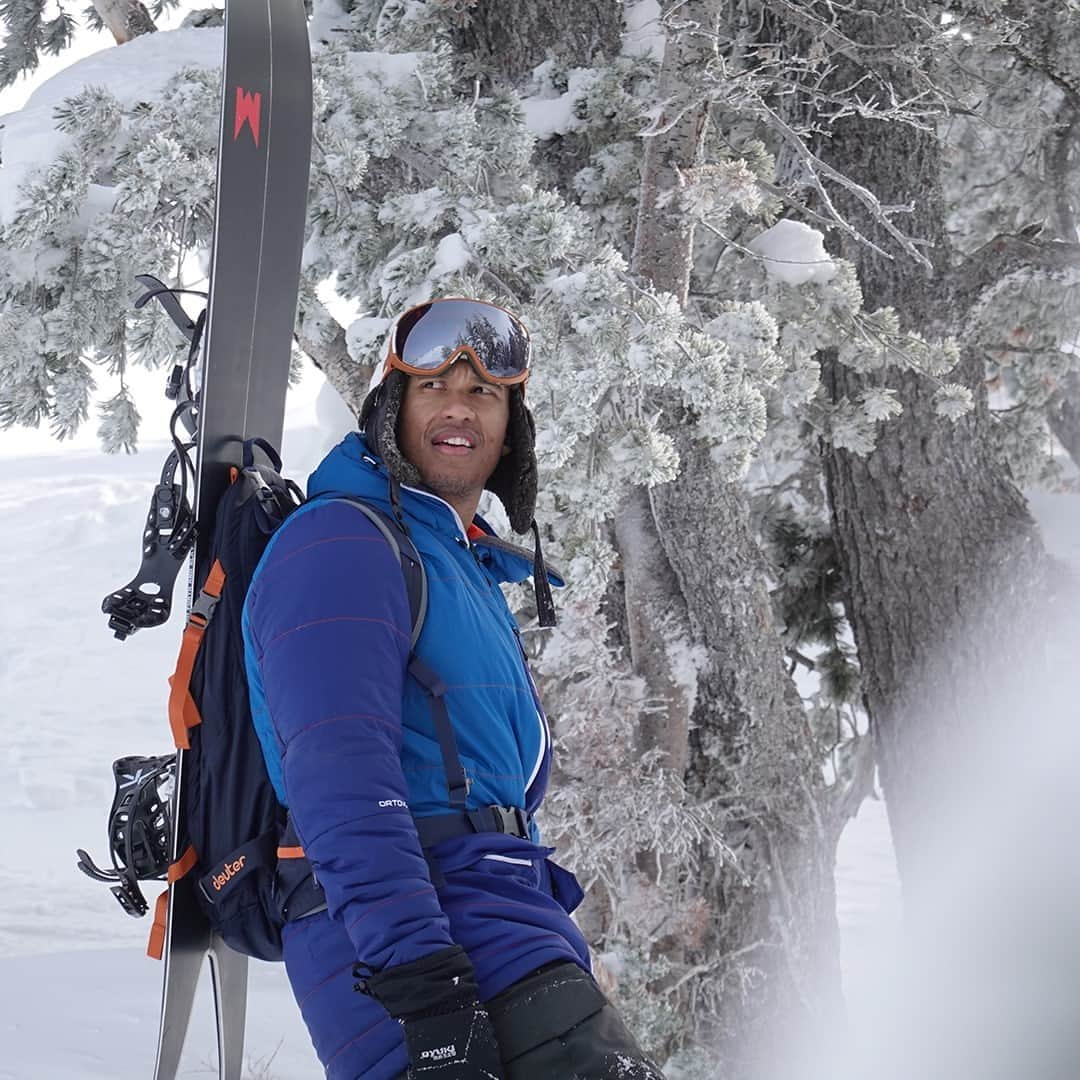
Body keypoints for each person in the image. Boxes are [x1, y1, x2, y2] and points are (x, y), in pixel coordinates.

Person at [242, 297, 665, 1079]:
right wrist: (426, 992)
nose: (460, 408)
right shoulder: (341, 544)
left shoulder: (455, 566)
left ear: (512, 431)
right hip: (415, 961)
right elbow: (339, 776)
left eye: (485, 393)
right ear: (391, 409)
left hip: (501, 934)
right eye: (434, 386)